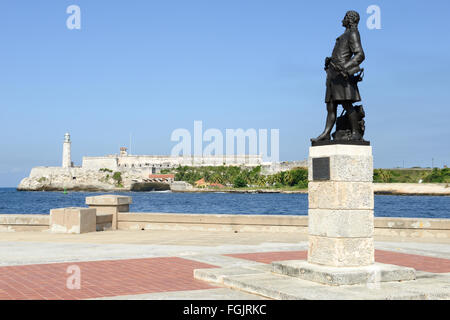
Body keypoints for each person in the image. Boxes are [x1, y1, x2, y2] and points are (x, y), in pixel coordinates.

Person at [311, 10, 365, 142]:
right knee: (331, 106)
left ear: (350, 19)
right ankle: (326, 133)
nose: (342, 20)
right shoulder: (344, 35)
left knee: (347, 104)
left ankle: (355, 133)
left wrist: (345, 67)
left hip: (342, 75)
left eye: (345, 17)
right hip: (333, 75)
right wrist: (330, 61)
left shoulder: (353, 33)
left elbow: (360, 54)